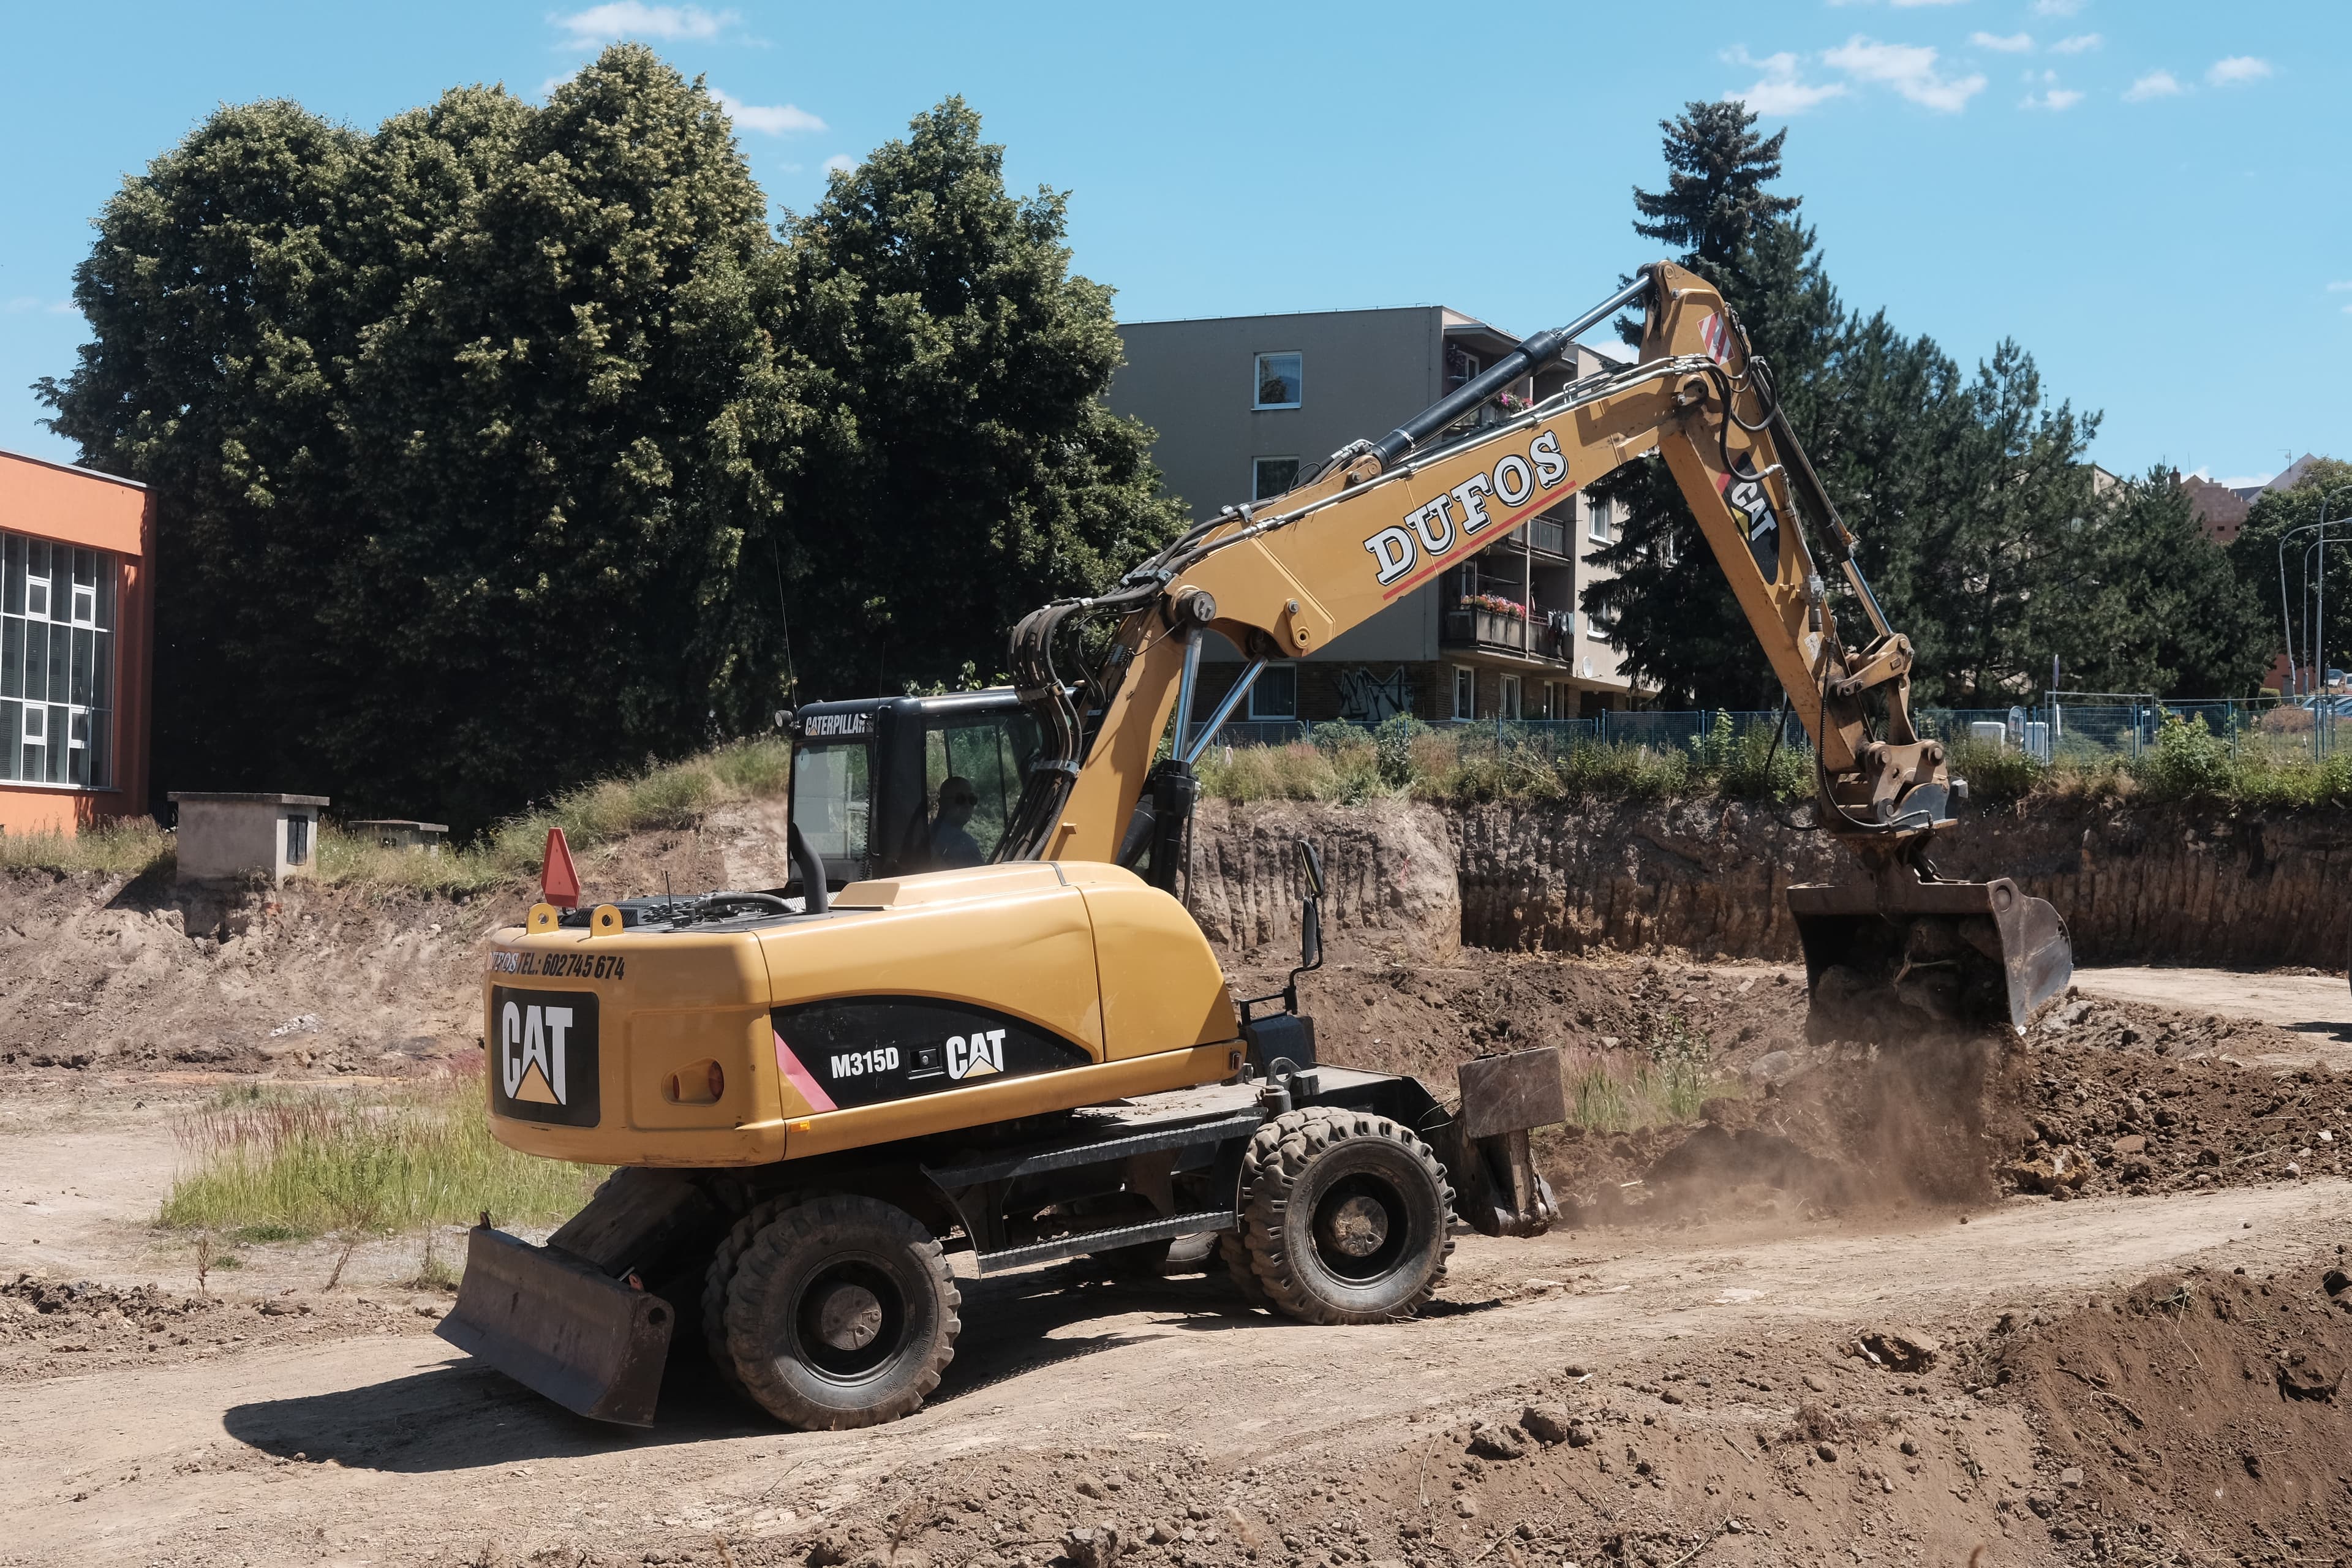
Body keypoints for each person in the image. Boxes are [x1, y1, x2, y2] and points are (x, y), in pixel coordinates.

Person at [929, 776, 984, 868]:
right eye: (960, 799)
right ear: (942, 802)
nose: (968, 805)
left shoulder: (927, 833)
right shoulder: (964, 843)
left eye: (972, 799)